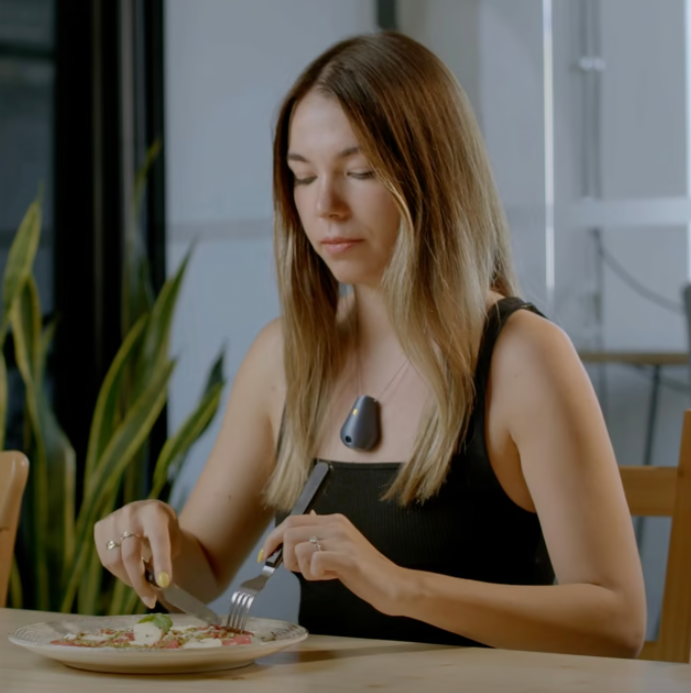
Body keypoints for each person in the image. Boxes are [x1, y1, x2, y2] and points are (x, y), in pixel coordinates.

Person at [95, 30, 646, 657]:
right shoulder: (283, 358)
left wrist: (400, 587)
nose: (323, 206)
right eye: (302, 177)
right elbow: (201, 575)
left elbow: (617, 622)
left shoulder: (523, 357)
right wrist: (150, 538)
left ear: (433, 177)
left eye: (359, 172)